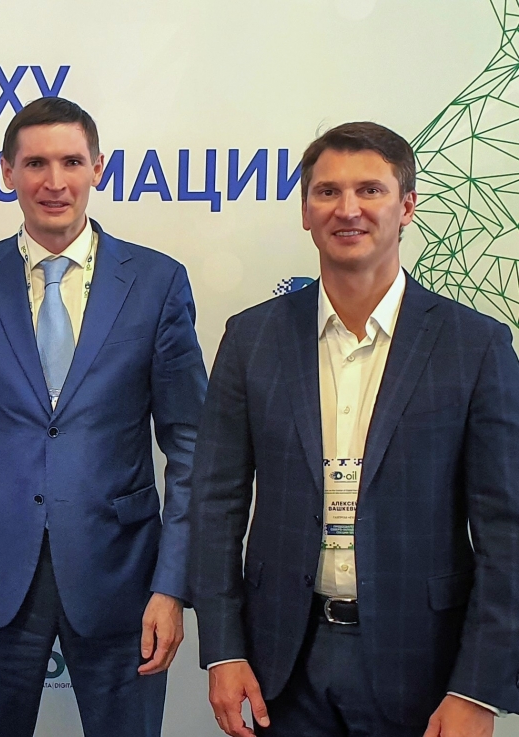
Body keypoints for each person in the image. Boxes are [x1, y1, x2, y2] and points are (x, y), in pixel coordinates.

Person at [190, 121, 519, 737]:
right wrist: (223, 649)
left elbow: (507, 529)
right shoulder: (251, 338)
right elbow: (215, 503)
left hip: (424, 667)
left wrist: (478, 687)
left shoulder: (475, 345)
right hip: (282, 664)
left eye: (370, 190)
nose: (348, 209)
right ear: (305, 213)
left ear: (407, 207)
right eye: (327, 192)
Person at [0, 96, 207, 737]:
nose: (55, 182)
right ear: (7, 172)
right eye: (36, 164)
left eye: (72, 162)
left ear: (98, 168)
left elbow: (191, 447)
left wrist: (171, 586)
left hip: (125, 581)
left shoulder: (157, 281)